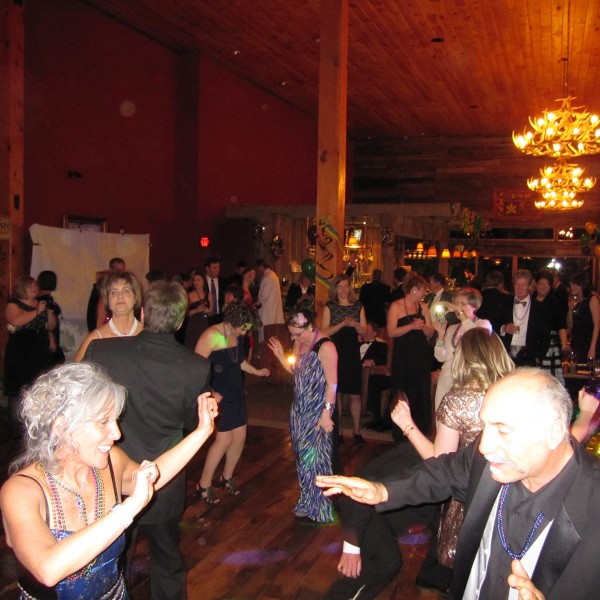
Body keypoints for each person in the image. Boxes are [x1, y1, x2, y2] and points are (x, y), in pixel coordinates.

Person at [317, 368, 600, 600]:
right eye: (485, 427)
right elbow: (445, 472)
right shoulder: (490, 460)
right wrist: (382, 491)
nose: (485, 446)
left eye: (502, 431)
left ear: (553, 432)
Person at [0, 362, 217, 600]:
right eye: (103, 421)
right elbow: (48, 570)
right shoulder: (21, 491)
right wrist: (129, 508)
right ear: (61, 427)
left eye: (115, 420)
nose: (117, 433)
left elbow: (152, 476)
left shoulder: (109, 462)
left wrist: (202, 431)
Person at [84, 282, 212, 600]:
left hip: (112, 474)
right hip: (163, 477)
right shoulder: (196, 367)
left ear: (143, 313)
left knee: (112, 561)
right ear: (180, 321)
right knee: (167, 560)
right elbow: (192, 424)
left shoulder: (105, 352)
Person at [392, 329, 514, 589]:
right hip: (513, 490)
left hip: (472, 492)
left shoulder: (457, 401)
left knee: (468, 570)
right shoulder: (517, 395)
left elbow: (440, 461)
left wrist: (407, 425)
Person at [195, 300, 270, 503]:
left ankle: (226, 477)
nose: (244, 333)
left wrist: (256, 371)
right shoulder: (211, 336)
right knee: (223, 440)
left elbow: (237, 361)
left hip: (235, 392)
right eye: (242, 328)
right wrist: (211, 393)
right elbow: (195, 368)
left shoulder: (237, 335)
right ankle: (204, 484)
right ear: (231, 322)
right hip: (218, 395)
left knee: (240, 437)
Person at [267, 310, 337, 522]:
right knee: (301, 456)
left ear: (310, 327)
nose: (294, 338)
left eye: (297, 334)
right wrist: (281, 356)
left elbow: (333, 384)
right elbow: (296, 372)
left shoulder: (326, 347)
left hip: (318, 409)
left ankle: (321, 506)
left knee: (316, 458)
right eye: (292, 334)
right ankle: (307, 499)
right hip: (299, 408)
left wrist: (326, 414)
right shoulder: (300, 343)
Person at [4, 275, 57, 440]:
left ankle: (36, 427)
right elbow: (16, 321)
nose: (35, 289)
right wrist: (36, 312)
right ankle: (16, 430)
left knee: (38, 384)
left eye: (35, 286)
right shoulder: (13, 304)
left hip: (38, 349)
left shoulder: (40, 303)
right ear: (22, 289)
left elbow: (51, 326)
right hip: (20, 350)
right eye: (30, 287)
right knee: (18, 388)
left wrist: (49, 312)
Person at [321, 274, 367, 444]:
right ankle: (338, 430)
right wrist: (342, 324)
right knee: (337, 393)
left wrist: (356, 325)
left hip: (352, 353)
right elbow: (323, 332)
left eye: (346, 286)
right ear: (335, 289)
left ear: (350, 287)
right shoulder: (330, 307)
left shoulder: (358, 306)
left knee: (356, 394)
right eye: (339, 287)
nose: (343, 290)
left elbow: (364, 332)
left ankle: (357, 430)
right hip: (335, 353)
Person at [387, 273, 434, 436]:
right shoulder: (396, 306)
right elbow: (391, 332)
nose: (424, 293)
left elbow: (430, 332)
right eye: (422, 290)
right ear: (414, 289)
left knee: (421, 388)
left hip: (420, 353)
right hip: (403, 354)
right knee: (403, 388)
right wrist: (411, 327)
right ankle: (401, 430)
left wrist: (423, 327)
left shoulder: (424, 307)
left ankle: (422, 429)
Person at [432, 288, 492, 410]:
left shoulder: (482, 324)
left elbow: (474, 340)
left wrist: (460, 312)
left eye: (463, 304)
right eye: (456, 304)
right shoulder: (452, 328)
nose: (457, 308)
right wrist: (441, 335)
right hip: (446, 379)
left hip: (468, 380)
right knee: (442, 415)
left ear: (474, 306)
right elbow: (440, 357)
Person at [75, 271, 143, 361]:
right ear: (107, 301)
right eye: (114, 292)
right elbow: (76, 368)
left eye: (126, 291)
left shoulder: (148, 333)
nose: (120, 296)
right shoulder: (95, 339)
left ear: (135, 298)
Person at [499, 269, 552, 367]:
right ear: (513, 285)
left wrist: (538, 358)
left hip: (529, 357)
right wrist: (504, 328)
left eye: (523, 285)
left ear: (530, 286)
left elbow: (545, 337)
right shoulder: (503, 303)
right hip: (505, 356)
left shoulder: (540, 308)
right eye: (517, 284)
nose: (520, 288)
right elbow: (493, 326)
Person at [565, 272, 600, 399]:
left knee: (588, 378)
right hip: (577, 343)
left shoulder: (592, 299)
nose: (573, 287)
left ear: (583, 285)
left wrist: (593, 348)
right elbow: (570, 325)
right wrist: (570, 309)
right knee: (575, 378)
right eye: (571, 285)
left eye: (576, 285)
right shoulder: (575, 301)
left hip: (590, 342)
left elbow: (597, 325)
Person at [534, 270, 568, 385]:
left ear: (550, 286)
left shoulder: (554, 302)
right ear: (536, 284)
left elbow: (561, 325)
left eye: (546, 284)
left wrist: (564, 344)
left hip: (551, 344)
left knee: (550, 378)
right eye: (540, 283)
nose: (543, 286)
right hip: (534, 342)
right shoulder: (530, 300)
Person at [86, 258, 126, 332]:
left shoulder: (123, 288)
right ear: (111, 270)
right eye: (118, 270)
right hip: (105, 332)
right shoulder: (101, 289)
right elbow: (93, 316)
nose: (121, 274)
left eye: (122, 270)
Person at [36, 270, 65, 367]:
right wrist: (51, 337)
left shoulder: (40, 299)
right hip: (46, 338)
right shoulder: (46, 301)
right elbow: (47, 323)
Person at [255, 259, 284, 340]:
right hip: (270, 310)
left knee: (266, 333)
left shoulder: (268, 277)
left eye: (257, 268)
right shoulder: (271, 275)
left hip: (268, 312)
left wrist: (256, 304)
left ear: (261, 266)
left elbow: (264, 296)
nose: (257, 270)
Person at [476, 270, 511, 335]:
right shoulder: (504, 298)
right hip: (497, 335)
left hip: (479, 333)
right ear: (501, 284)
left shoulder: (478, 297)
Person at [205, 256, 226, 325]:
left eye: (218, 267)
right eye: (214, 268)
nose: (217, 270)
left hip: (220, 317)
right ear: (207, 268)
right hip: (206, 318)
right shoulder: (202, 282)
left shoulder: (223, 281)